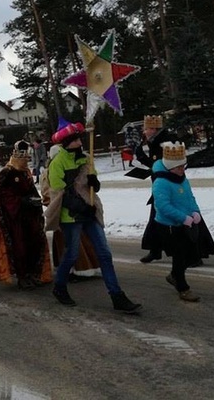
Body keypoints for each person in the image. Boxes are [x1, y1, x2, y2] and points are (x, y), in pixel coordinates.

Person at [44, 120, 142, 313]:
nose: (78, 142)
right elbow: (58, 194)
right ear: (65, 143)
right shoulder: (57, 163)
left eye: (78, 138)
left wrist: (94, 183)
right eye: (73, 140)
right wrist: (81, 208)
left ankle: (117, 296)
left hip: (90, 212)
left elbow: (92, 187)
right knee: (72, 255)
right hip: (71, 216)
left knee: (104, 254)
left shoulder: (86, 157)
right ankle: (60, 286)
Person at [152, 142, 214, 302]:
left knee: (193, 255)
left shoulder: (182, 179)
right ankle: (183, 288)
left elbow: (190, 197)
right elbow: (163, 206)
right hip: (169, 226)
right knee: (180, 256)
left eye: (183, 166)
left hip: (186, 223)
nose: (182, 170)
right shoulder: (161, 182)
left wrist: (195, 212)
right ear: (169, 167)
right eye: (178, 167)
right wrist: (183, 217)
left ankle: (174, 275)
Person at [0, 149, 52, 289]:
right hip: (15, 218)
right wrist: (20, 201)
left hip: (29, 216)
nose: (27, 162)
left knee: (34, 244)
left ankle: (33, 273)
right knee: (20, 247)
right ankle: (22, 276)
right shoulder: (6, 173)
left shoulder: (25, 173)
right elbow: (1, 195)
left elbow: (31, 190)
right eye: (24, 159)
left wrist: (35, 201)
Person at [42, 145, 99, 280]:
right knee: (69, 246)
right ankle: (69, 273)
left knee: (79, 242)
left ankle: (83, 268)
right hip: (61, 212)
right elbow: (48, 192)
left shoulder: (72, 167)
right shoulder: (49, 172)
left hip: (75, 212)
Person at [134, 115, 177, 263]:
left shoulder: (166, 142)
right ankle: (155, 249)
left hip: (170, 187)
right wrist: (140, 156)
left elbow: (164, 166)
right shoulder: (154, 142)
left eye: (146, 129)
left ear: (153, 129)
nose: (143, 131)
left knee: (179, 220)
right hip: (160, 186)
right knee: (156, 219)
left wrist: (143, 158)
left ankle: (193, 253)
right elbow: (154, 166)